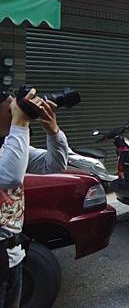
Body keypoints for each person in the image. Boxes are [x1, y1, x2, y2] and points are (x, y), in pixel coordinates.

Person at [0, 88, 69, 308]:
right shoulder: (14, 140)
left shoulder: (8, 145)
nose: (14, 112)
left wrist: (53, 132)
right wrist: (20, 125)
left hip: (13, 254)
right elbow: (9, 177)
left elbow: (54, 164)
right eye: (10, 107)